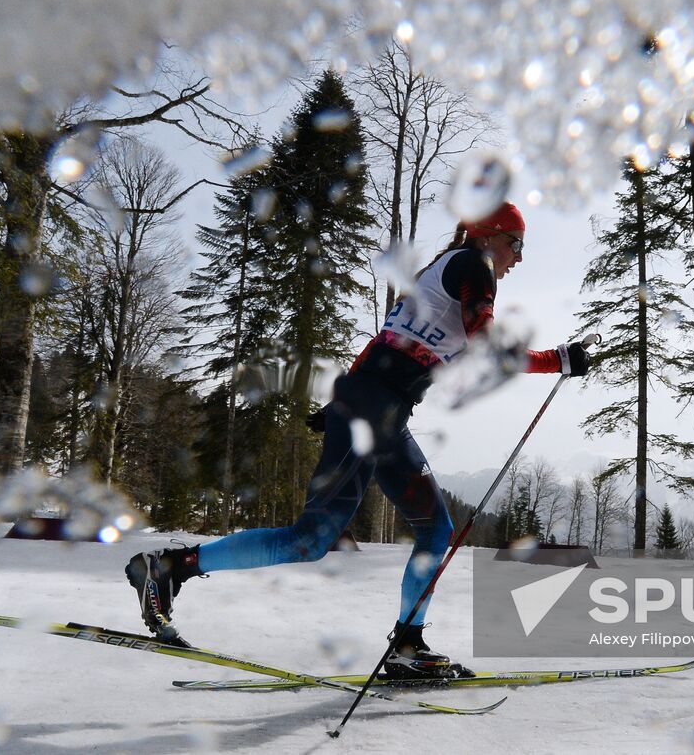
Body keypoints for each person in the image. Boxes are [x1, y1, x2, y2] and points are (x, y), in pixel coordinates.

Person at [125, 201, 589, 679]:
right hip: (373, 412)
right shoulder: (475, 263)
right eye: (517, 244)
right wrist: (556, 359)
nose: (518, 257)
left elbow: (387, 338)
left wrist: (346, 398)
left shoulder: (446, 268)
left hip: (381, 414)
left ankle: (408, 647)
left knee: (435, 529)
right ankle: (169, 567)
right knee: (310, 540)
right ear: (491, 236)